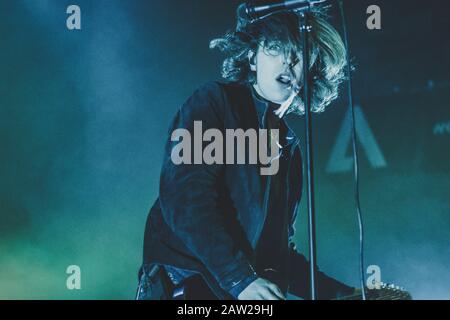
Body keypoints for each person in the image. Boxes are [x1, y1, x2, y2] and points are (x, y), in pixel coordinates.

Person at [137, 3, 355, 300]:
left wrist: (349, 295)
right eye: (276, 48)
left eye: (297, 53)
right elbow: (186, 199)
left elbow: (279, 255)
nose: (287, 61)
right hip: (185, 286)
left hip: (231, 291)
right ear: (252, 57)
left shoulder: (288, 148)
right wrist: (240, 280)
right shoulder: (216, 103)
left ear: (312, 68)